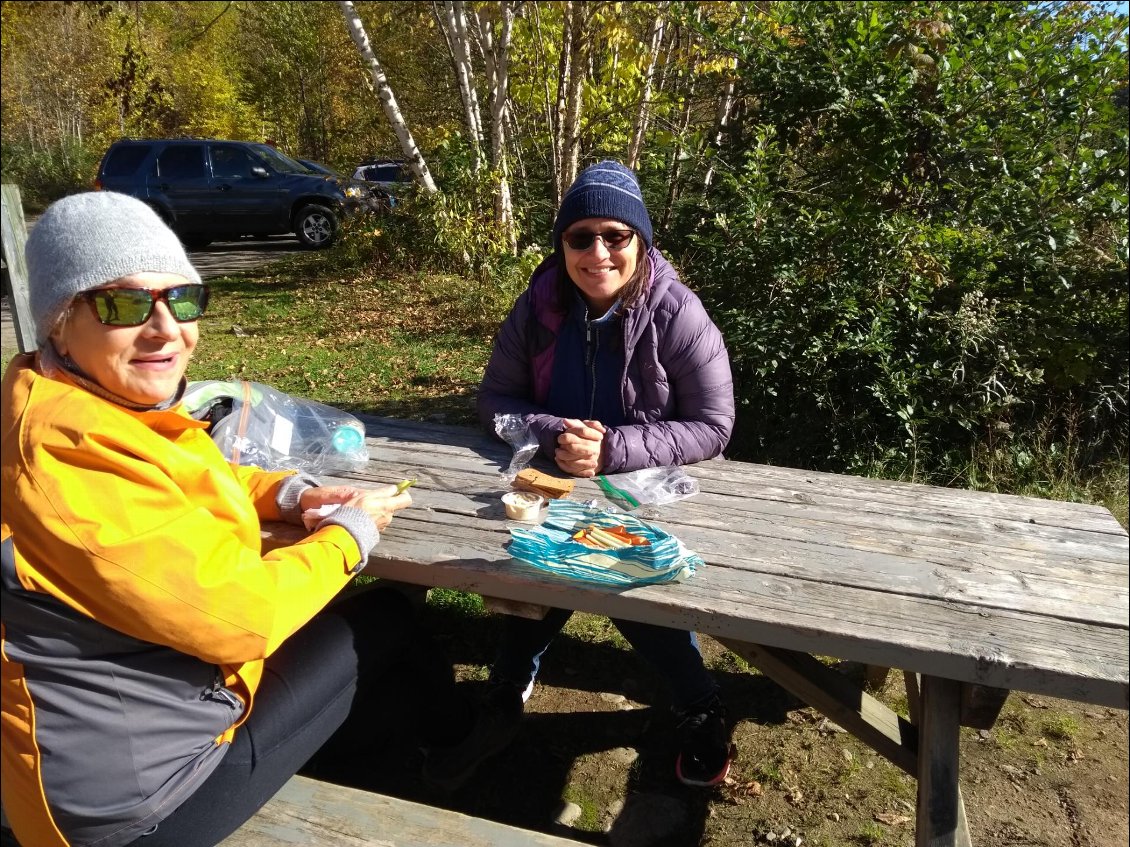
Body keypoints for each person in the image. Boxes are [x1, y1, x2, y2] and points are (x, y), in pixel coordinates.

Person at [0, 192, 469, 847]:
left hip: (108, 738)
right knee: (386, 617)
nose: (166, 328)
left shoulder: (65, 402)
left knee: (350, 644)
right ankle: (458, 741)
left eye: (182, 299)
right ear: (60, 320)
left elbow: (170, 478)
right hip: (135, 808)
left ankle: (392, 736)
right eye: (125, 304)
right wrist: (348, 537)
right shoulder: (64, 454)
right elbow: (239, 618)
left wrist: (285, 495)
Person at [429, 161, 737, 790]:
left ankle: (702, 705)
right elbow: (495, 402)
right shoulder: (539, 305)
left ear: (640, 242)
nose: (598, 252)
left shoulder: (676, 311)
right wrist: (555, 435)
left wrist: (613, 449)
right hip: (554, 483)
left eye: (616, 235)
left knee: (631, 588)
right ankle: (507, 696)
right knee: (529, 572)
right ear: (562, 245)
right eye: (580, 237)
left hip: (654, 491)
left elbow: (714, 425)